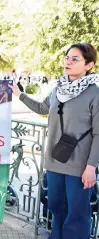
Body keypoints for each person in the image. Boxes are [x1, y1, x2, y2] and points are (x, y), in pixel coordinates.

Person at [9, 42, 99, 239]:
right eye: (67, 58)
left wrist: (91, 167)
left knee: (77, 214)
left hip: (80, 167)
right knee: (56, 208)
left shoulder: (95, 93)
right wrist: (20, 95)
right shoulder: (58, 89)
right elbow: (42, 108)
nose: (68, 61)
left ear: (89, 65)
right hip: (55, 161)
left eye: (75, 59)